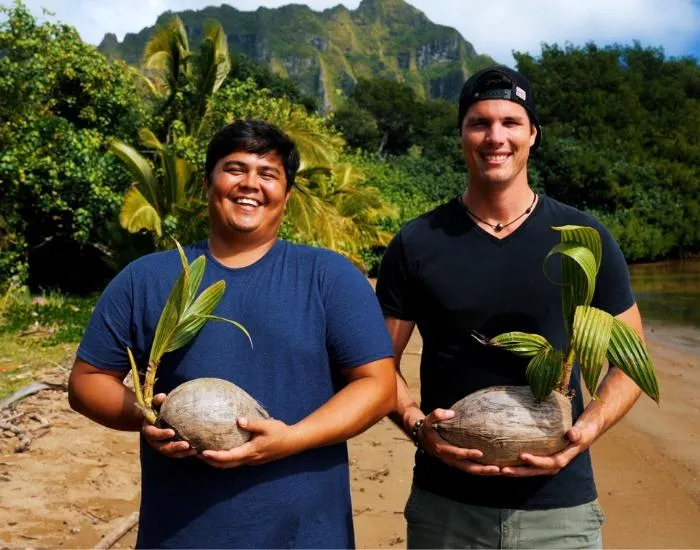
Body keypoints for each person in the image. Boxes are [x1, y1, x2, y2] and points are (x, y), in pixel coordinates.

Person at [68, 119, 396, 549]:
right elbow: (86, 382)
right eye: (235, 169)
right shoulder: (146, 279)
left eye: (268, 174)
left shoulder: (330, 277)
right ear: (207, 183)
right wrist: (148, 418)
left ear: (288, 194)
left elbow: (379, 386)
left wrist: (290, 440)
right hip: (181, 536)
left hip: (307, 537)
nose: (250, 184)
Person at [376, 66, 646, 549]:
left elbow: (631, 362)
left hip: (560, 509)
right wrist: (421, 430)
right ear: (461, 134)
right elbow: (378, 369)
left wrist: (587, 429)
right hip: (446, 511)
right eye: (479, 122)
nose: (494, 136)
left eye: (510, 122)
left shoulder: (584, 239)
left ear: (533, 134)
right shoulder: (417, 243)